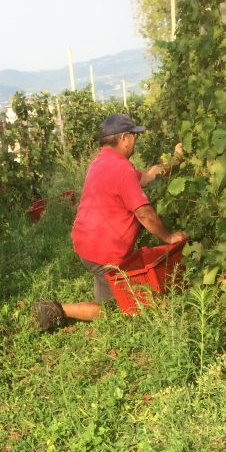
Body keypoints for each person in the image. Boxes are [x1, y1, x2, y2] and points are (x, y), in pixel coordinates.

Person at [33, 113, 186, 331]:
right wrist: (169, 237)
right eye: (134, 135)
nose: (136, 140)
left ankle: (91, 299)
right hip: (104, 252)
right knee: (115, 311)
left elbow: (146, 175)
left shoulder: (102, 162)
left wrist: (175, 160)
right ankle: (56, 310)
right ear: (124, 138)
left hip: (88, 244)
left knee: (109, 292)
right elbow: (144, 214)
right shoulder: (121, 170)